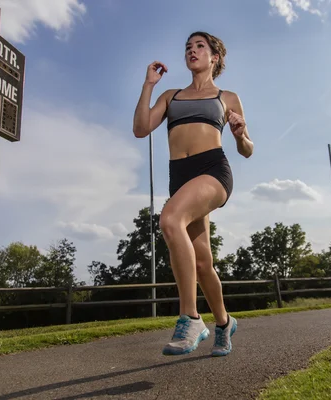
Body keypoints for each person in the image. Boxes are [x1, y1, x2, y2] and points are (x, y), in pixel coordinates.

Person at [132, 31, 254, 357]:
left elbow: (247, 150)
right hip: (181, 178)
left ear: (215, 57)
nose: (192, 51)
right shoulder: (171, 96)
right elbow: (141, 128)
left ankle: (191, 317)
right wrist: (149, 85)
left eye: (200, 46)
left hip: (213, 170)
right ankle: (225, 323)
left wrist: (241, 135)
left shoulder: (226, 97)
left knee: (170, 219)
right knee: (202, 263)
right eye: (188, 47)